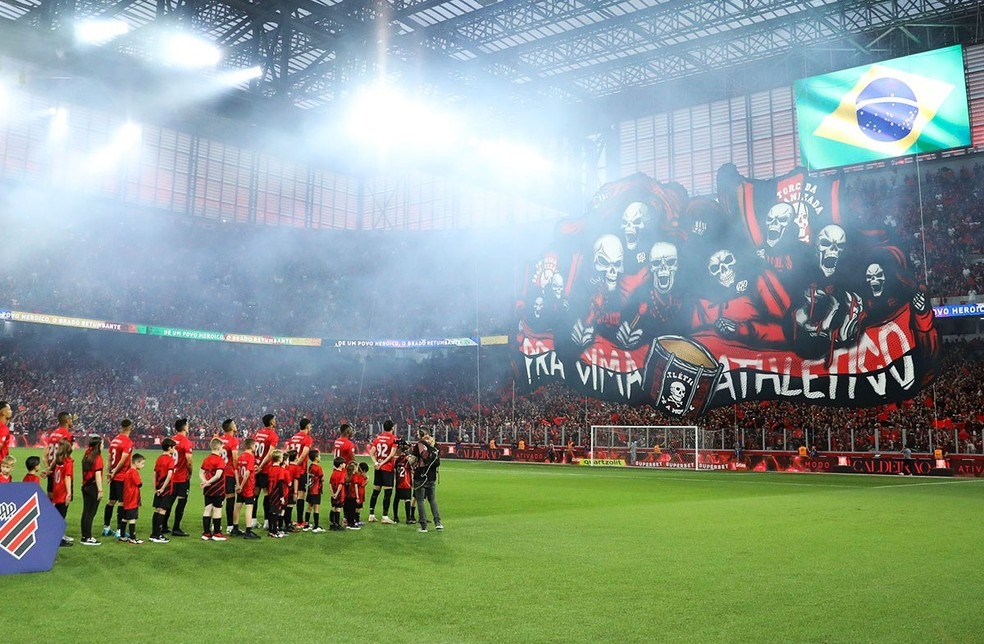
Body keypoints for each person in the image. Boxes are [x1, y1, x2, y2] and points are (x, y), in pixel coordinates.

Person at [103, 418, 134, 538]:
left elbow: (110, 458)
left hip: (113, 476)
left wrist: (109, 472)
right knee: (122, 503)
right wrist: (115, 472)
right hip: (122, 476)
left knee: (111, 501)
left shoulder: (114, 440)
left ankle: (106, 527)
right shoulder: (128, 442)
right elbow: (123, 460)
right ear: (130, 428)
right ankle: (119, 530)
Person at [165, 418, 194, 537]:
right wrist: (190, 472)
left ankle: (164, 525)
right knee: (181, 502)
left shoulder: (171, 440)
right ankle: (176, 528)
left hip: (171, 476)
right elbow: (189, 461)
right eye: (187, 425)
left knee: (169, 501)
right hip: (182, 477)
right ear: (184, 427)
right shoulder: (186, 442)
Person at [410, 427, 442, 533]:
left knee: (420, 501)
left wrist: (408, 458)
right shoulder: (435, 444)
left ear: (422, 433)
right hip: (432, 476)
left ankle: (423, 525)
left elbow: (413, 460)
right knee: (432, 500)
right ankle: (438, 523)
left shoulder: (419, 445)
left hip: (420, 476)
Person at [367, 419, 398, 523]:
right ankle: (385, 516)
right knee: (387, 493)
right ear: (392, 428)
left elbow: (371, 452)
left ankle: (371, 514)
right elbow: (392, 454)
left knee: (376, 491)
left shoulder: (378, 438)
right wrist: (383, 463)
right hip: (387, 468)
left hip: (378, 468)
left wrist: (376, 463)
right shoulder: (393, 438)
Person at [285, 418, 313, 528]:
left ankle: (286, 520)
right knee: (300, 494)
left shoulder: (293, 437)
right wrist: (296, 464)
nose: (310, 428)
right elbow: (303, 455)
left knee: (289, 493)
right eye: (310, 426)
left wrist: (289, 465)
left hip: (289, 469)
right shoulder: (307, 438)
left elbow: (287, 451)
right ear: (307, 426)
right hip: (300, 470)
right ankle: (300, 521)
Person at [253, 414, 279, 529]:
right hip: (265, 469)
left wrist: (255, 464)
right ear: (271, 422)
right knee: (267, 493)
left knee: (255, 493)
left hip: (255, 467)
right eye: (274, 420)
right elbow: (270, 454)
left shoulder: (258, 433)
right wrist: (261, 466)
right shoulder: (273, 435)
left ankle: (253, 520)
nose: (276, 421)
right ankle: (267, 521)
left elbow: (253, 449)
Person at [199, 437, 229, 541]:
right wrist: (208, 482)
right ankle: (217, 533)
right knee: (217, 510)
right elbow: (218, 475)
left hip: (208, 490)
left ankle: (206, 533)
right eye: (222, 447)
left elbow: (201, 472)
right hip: (217, 489)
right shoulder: (220, 460)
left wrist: (205, 482)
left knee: (207, 510)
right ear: (218, 447)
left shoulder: (206, 459)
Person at [149, 438, 177, 544]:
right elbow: (169, 475)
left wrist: (155, 488)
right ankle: (158, 534)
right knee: (163, 510)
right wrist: (163, 488)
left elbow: (154, 474)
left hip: (158, 487)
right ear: (169, 448)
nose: (174, 450)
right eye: (174, 448)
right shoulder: (170, 460)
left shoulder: (159, 458)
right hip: (166, 488)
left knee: (157, 509)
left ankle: (153, 534)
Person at [232, 437, 261, 540]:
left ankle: (235, 528)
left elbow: (236, 471)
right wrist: (243, 485)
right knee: (249, 507)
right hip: (248, 486)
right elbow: (247, 473)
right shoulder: (250, 457)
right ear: (252, 446)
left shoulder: (240, 457)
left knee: (238, 505)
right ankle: (248, 531)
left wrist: (238, 484)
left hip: (240, 486)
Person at [79, 435, 105, 546]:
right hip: (93, 487)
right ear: (98, 446)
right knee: (91, 513)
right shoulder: (98, 458)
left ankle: (84, 535)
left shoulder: (87, 454)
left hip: (85, 486)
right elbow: (97, 474)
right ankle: (88, 537)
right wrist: (100, 490)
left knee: (86, 512)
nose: (103, 446)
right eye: (102, 444)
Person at [49, 439, 74, 546]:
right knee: (61, 516)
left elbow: (53, 470)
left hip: (57, 491)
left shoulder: (59, 461)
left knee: (58, 514)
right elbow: (67, 477)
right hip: (63, 491)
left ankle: (57, 536)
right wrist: (69, 493)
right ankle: (59, 539)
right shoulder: (68, 462)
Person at [219, 419, 240, 534]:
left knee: (218, 498)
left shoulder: (219, 440)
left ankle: (215, 524)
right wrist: (236, 471)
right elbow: (235, 458)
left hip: (218, 473)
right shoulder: (233, 441)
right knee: (230, 498)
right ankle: (230, 525)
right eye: (234, 424)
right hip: (229, 473)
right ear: (231, 427)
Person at [120, 453, 146, 544]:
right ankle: (132, 537)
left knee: (124, 517)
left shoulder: (128, 471)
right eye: (142, 463)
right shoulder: (134, 472)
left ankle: (122, 536)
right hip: (133, 498)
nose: (143, 466)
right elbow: (139, 484)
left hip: (127, 498)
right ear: (136, 463)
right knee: (132, 518)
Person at [265, 449, 288, 538]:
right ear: (279, 459)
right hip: (277, 492)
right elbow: (280, 483)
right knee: (275, 512)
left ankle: (271, 530)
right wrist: (282, 496)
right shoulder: (280, 470)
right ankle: (274, 531)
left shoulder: (270, 469)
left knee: (271, 512)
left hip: (270, 492)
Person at [305, 449, 325, 533]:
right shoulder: (318, 468)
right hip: (316, 490)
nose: (320, 457)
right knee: (316, 508)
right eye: (319, 456)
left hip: (310, 489)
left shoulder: (310, 466)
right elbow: (322, 478)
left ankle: (306, 524)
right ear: (316, 458)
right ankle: (316, 526)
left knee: (309, 507)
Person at [392, 445, 413, 523]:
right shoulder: (408, 459)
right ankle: (408, 518)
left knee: (396, 499)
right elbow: (412, 469)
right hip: (406, 482)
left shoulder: (397, 460)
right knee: (407, 500)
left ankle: (395, 517)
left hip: (398, 482)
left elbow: (394, 470)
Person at [328, 456, 346, 531]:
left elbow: (330, 484)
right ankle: (337, 524)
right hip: (339, 494)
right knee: (338, 508)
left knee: (333, 507)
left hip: (333, 494)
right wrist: (337, 493)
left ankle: (332, 523)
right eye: (344, 463)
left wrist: (332, 493)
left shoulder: (333, 473)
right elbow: (340, 485)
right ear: (341, 465)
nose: (345, 464)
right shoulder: (342, 474)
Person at [343, 460, 360, 530]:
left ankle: (347, 522)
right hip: (352, 496)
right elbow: (356, 487)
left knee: (347, 509)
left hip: (346, 496)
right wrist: (357, 497)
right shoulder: (354, 477)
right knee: (352, 510)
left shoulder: (346, 476)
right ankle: (351, 524)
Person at [353, 461, 368, 527]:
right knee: (358, 507)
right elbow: (362, 484)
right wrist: (367, 480)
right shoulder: (359, 476)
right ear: (363, 470)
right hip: (359, 494)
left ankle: (356, 519)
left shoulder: (359, 475)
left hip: (360, 494)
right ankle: (356, 520)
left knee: (358, 507)